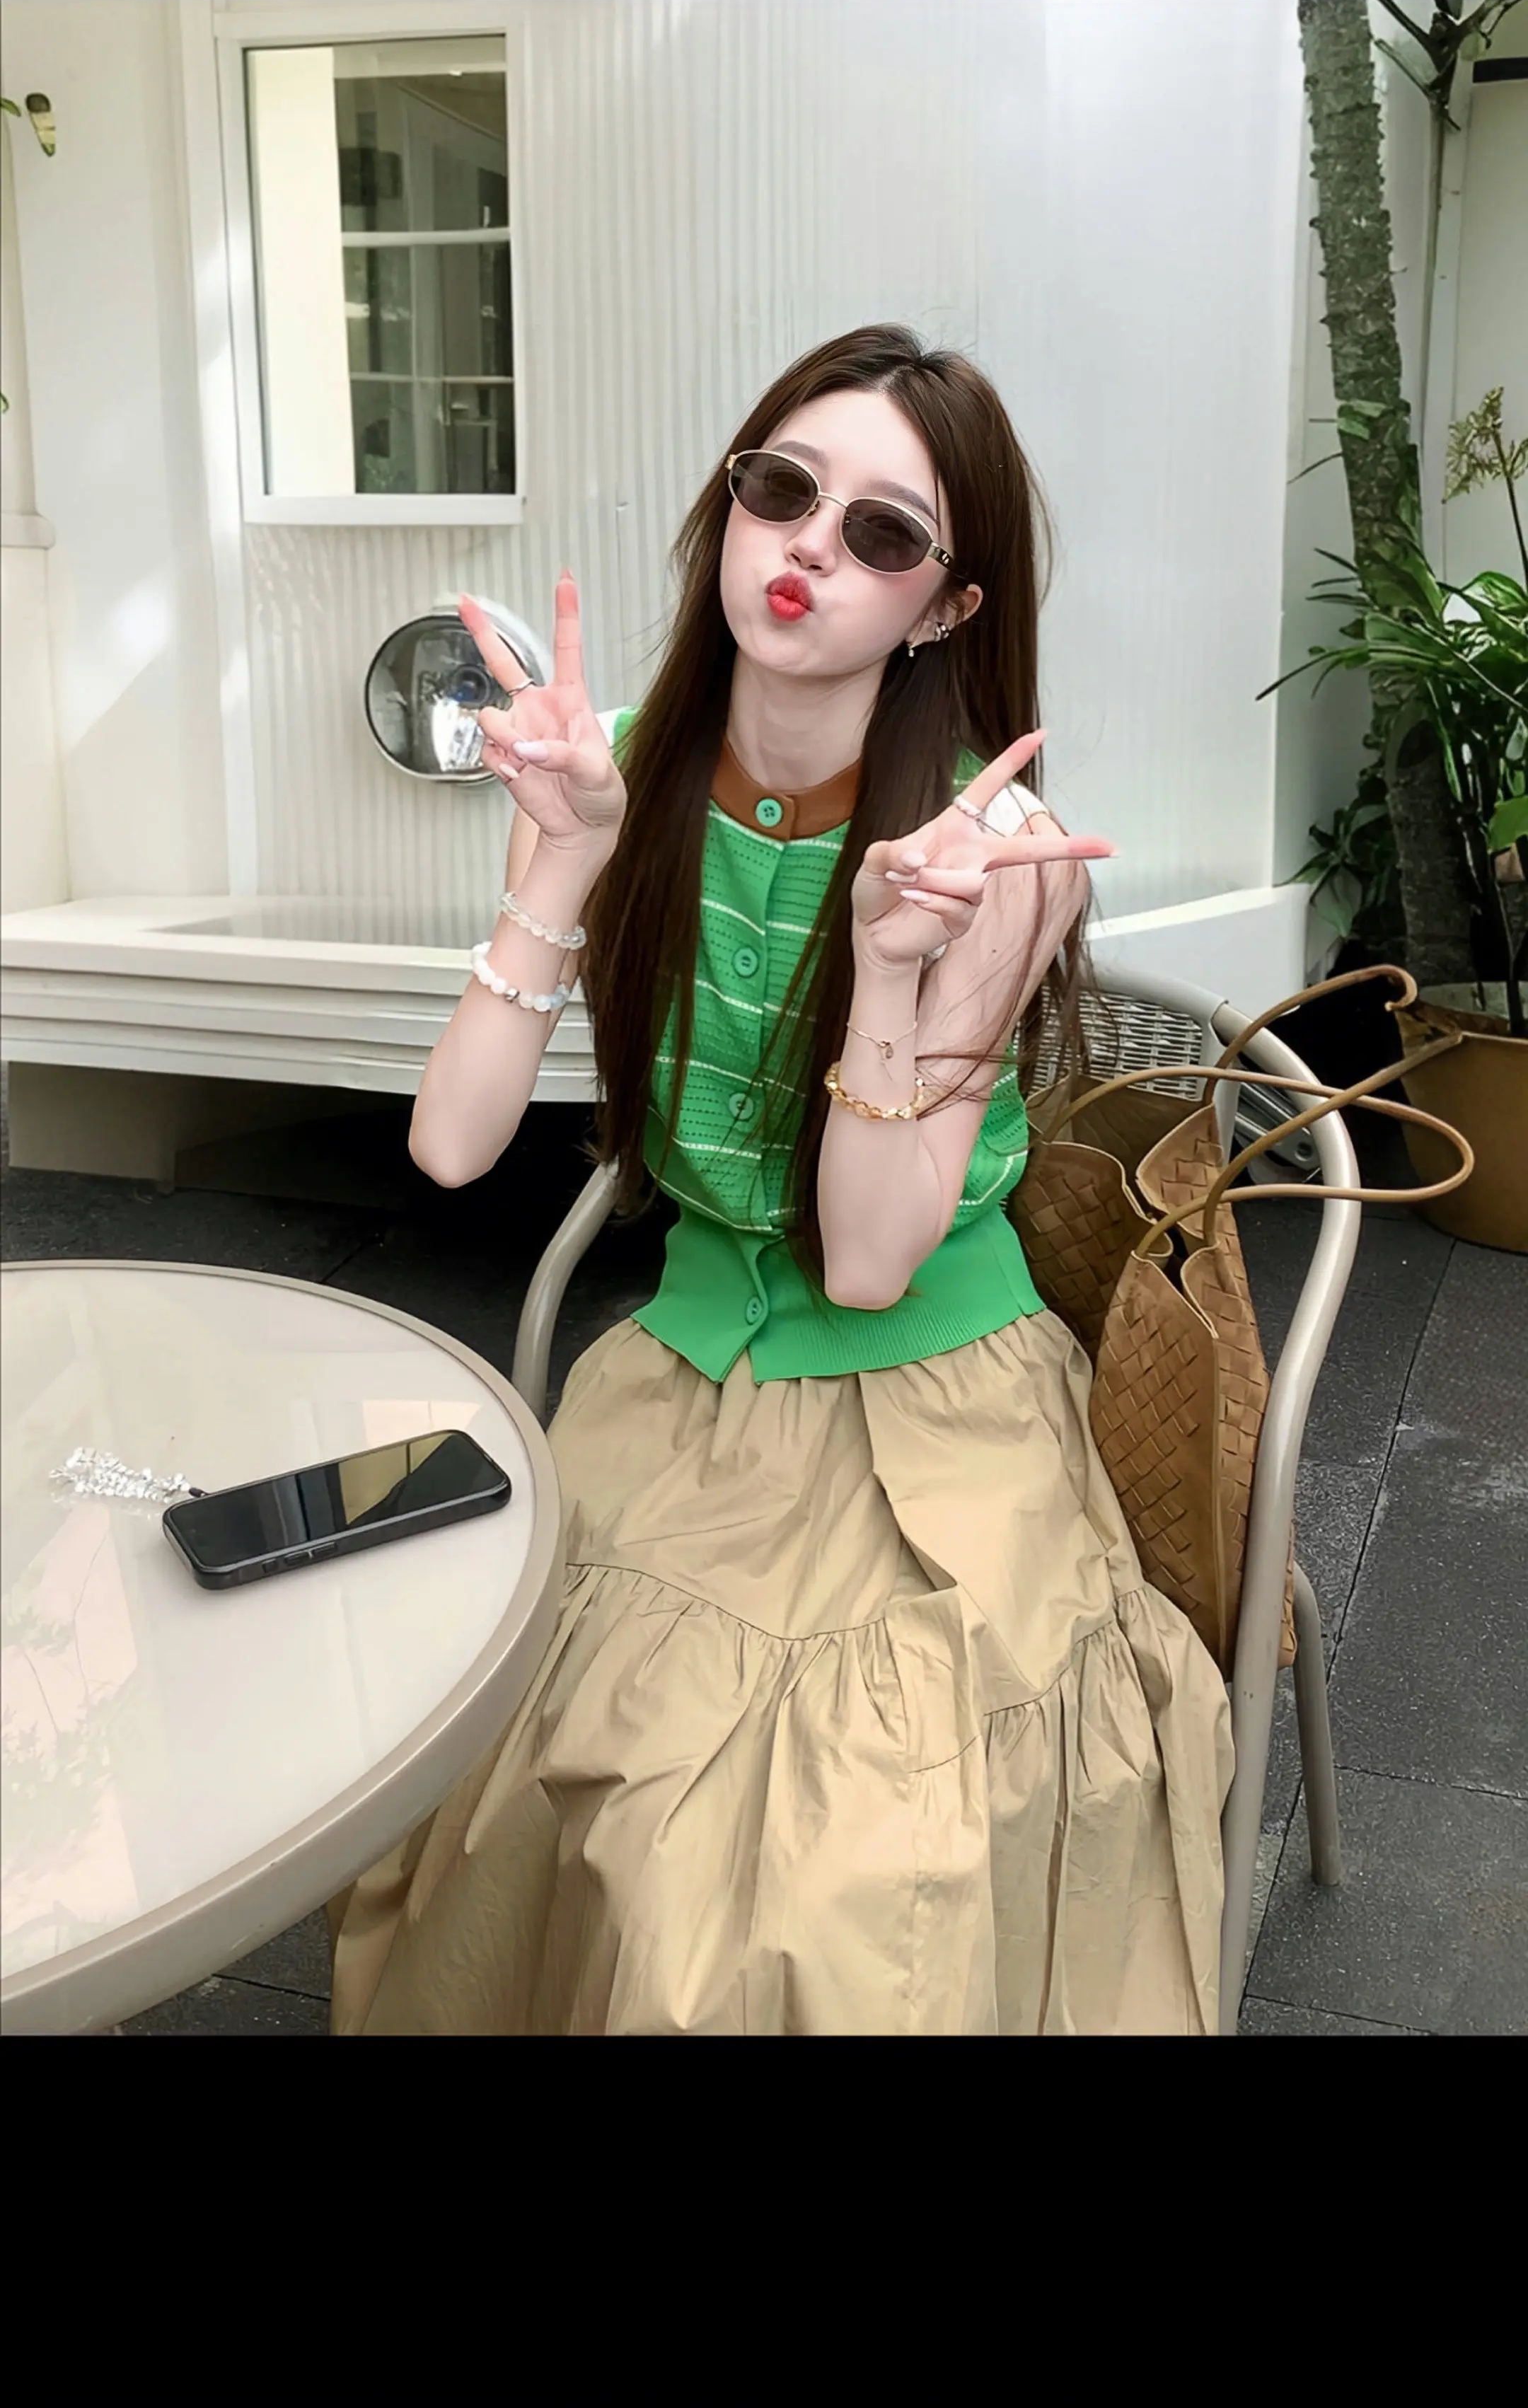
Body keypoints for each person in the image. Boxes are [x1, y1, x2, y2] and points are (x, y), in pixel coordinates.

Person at [329, 323, 1234, 2037]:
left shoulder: (992, 859)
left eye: (883, 532)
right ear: (728, 504)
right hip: (680, 1371)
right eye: (781, 488)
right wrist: (563, 864)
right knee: (518, 1762)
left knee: (811, 1886)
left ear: (946, 607)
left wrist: (889, 970)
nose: (810, 544)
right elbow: (451, 1147)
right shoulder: (606, 769)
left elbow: (874, 1263)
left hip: (933, 1399)